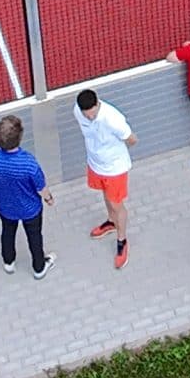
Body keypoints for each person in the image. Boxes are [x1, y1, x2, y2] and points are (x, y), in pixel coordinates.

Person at [0, 115, 55, 280]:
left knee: (7, 232)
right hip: (31, 209)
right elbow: (41, 187)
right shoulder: (29, 163)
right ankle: (39, 267)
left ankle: (8, 262)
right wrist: (48, 198)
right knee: (34, 237)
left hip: (6, 206)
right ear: (19, 137)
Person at [73, 88, 137, 268]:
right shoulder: (77, 111)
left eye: (93, 114)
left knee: (117, 204)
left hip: (114, 168)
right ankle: (111, 221)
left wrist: (115, 153)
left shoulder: (112, 118)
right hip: (95, 164)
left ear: (98, 104)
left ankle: (122, 240)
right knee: (106, 196)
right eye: (86, 116)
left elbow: (132, 139)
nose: (90, 118)